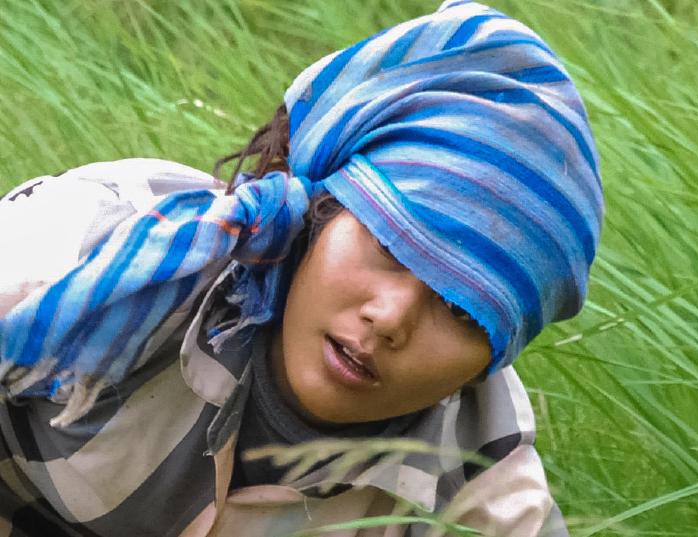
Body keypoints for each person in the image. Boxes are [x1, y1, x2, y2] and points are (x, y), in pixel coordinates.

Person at [0, 0, 603, 535]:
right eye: (390, 246)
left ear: (490, 360)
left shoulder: (482, 491)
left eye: (461, 307)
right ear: (320, 213)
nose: (390, 319)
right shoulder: (98, 247)